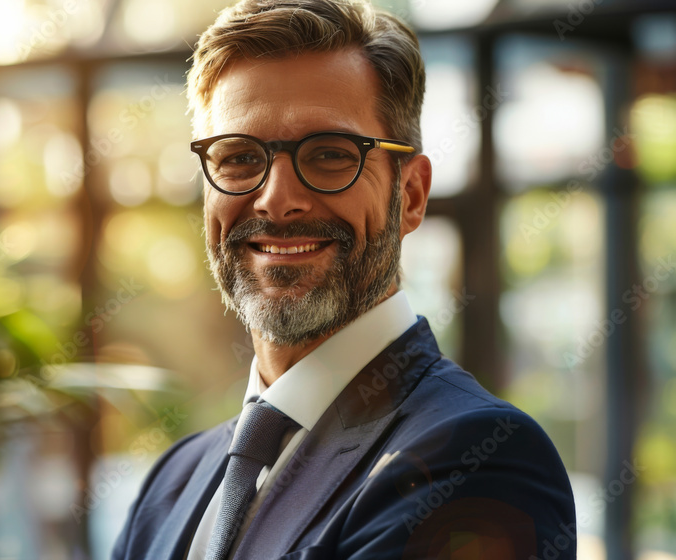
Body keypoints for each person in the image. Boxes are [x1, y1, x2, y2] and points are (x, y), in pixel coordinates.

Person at [111, 1, 576, 558]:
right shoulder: (172, 483)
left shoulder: (478, 459)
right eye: (238, 157)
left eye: (330, 154)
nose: (277, 199)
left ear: (410, 195)